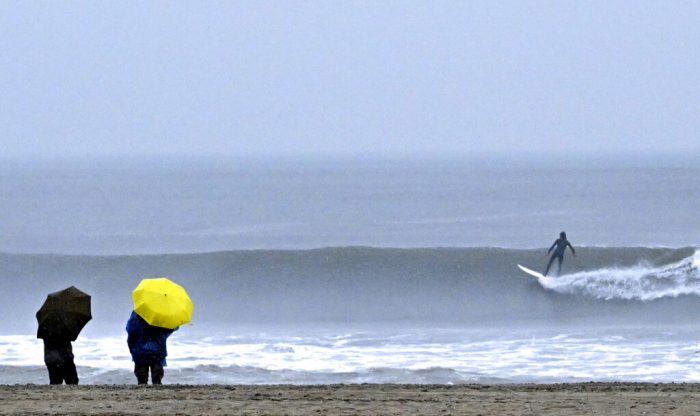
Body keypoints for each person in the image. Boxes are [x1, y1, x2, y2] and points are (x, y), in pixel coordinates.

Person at [126, 311, 177, 385]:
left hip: (141, 349)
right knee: (156, 372)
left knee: (142, 374)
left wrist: (132, 346)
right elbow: (167, 329)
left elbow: (131, 330)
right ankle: (156, 383)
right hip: (156, 349)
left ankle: (143, 383)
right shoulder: (160, 315)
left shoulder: (138, 313)